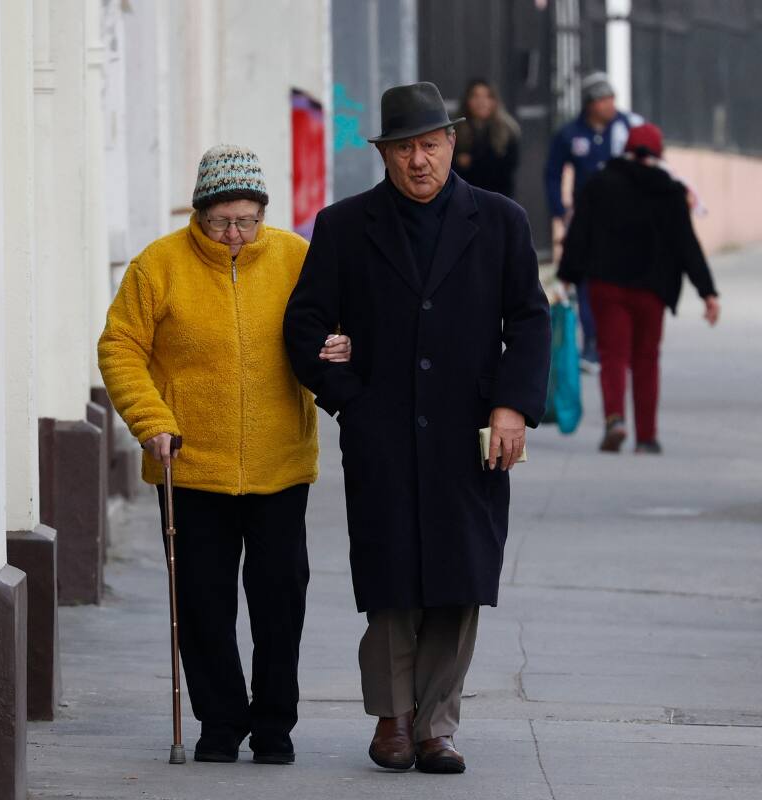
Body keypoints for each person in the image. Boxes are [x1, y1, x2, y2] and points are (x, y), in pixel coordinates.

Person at [284, 82, 551, 774]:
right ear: (384, 155)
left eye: (430, 145)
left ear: (452, 144)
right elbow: (303, 325)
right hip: (383, 435)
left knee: (460, 579)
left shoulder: (500, 221)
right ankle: (392, 719)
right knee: (391, 579)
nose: (418, 160)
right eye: (404, 149)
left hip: (471, 434)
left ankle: (436, 725)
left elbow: (529, 318)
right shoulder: (344, 226)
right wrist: (349, 399)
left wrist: (512, 407)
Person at [98, 145, 350, 765]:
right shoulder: (158, 265)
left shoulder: (296, 257)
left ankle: (274, 726)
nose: (235, 234)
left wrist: (342, 346)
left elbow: (337, 324)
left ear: (263, 212)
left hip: (280, 465)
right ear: (200, 213)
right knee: (203, 603)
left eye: (246, 220)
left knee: (280, 601)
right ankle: (219, 722)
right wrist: (152, 421)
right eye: (221, 221)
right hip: (189, 466)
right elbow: (120, 346)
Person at [557, 123, 720, 454]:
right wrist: (708, 292)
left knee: (612, 355)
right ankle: (646, 437)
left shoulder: (599, 183)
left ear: (626, 149)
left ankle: (615, 420)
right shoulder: (670, 190)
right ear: (659, 152)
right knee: (646, 359)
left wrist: (567, 276)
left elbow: (580, 232)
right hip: (652, 289)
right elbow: (686, 244)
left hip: (607, 286)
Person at [546, 72, 644, 367]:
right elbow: (552, 173)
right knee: (587, 279)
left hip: (624, 218)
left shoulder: (630, 127)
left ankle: (623, 340)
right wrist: (560, 210)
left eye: (612, 98)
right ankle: (592, 341)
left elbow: (651, 164)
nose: (610, 104)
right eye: (603, 99)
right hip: (587, 220)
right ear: (590, 103)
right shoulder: (570, 134)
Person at [452, 78, 521, 198]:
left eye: (487, 96)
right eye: (475, 96)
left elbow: (507, 168)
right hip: (465, 198)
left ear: (495, 101)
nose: (481, 102)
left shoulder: (507, 130)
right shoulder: (455, 130)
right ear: (467, 101)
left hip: (499, 198)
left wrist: (472, 162)